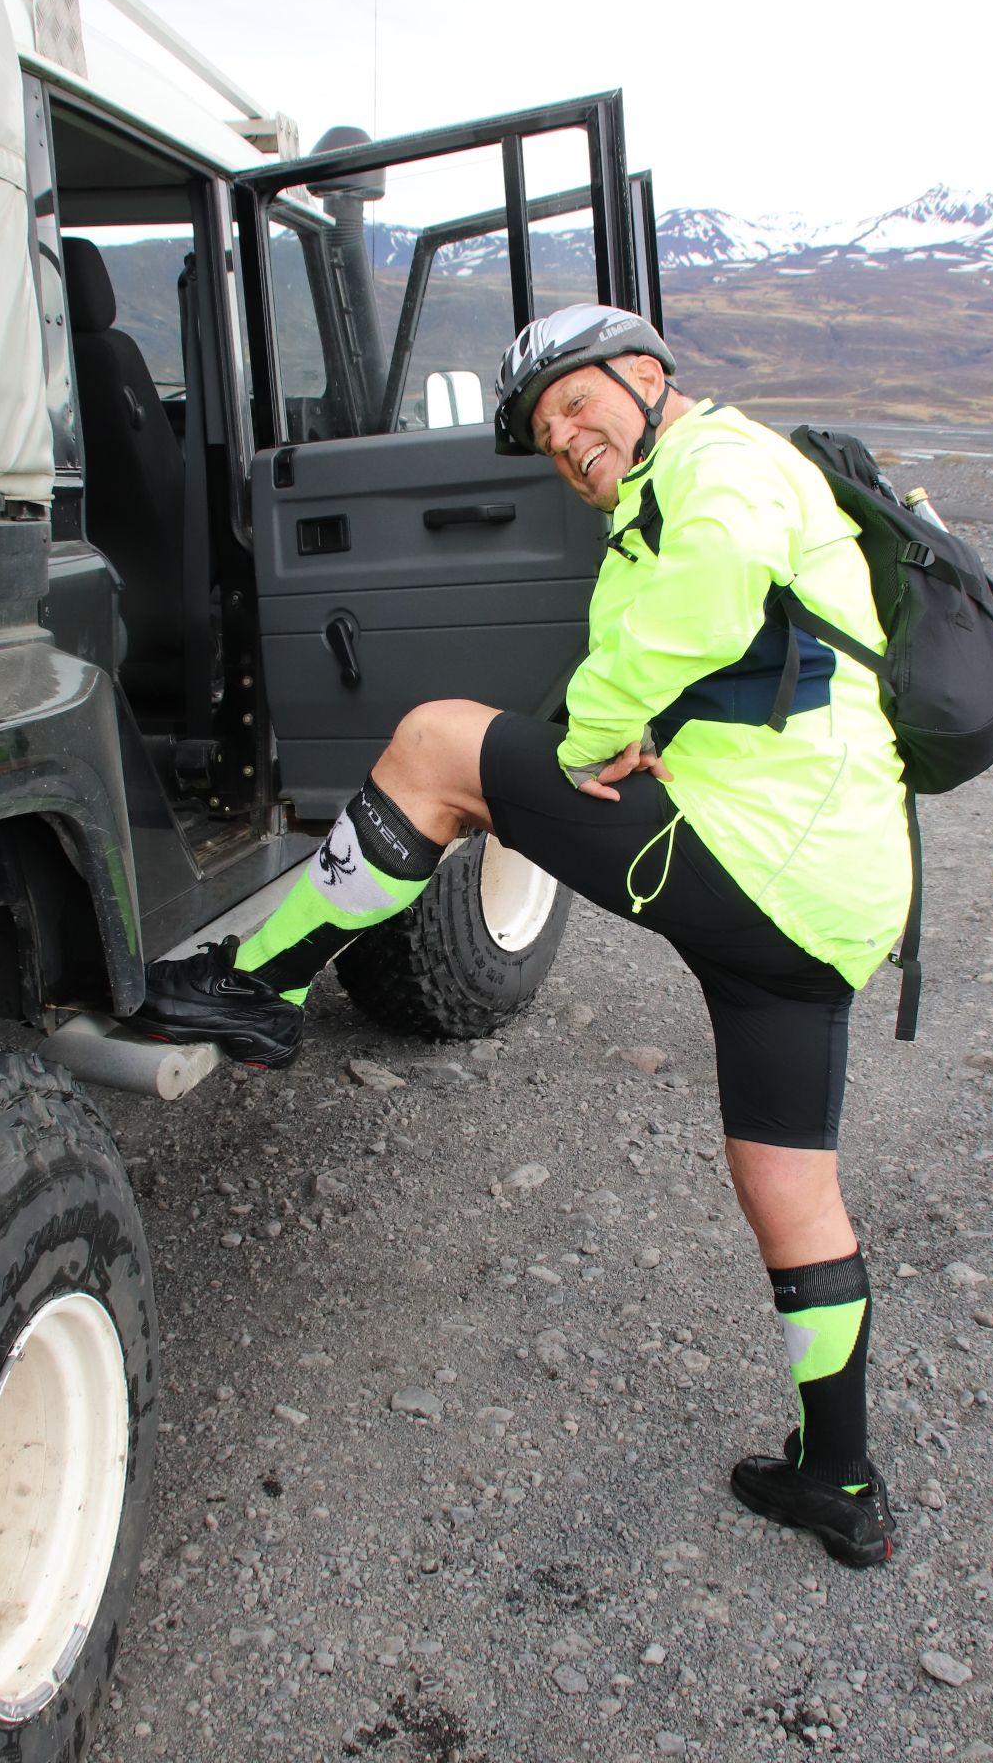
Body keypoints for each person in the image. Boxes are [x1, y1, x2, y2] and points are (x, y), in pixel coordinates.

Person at [138, 305, 912, 1567]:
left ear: (646, 374)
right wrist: (649, 727)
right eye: (546, 429)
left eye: (576, 403)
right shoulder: (682, 481)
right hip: (832, 899)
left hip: (765, 858)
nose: (564, 438)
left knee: (436, 743)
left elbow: (702, 598)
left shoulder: (719, 460)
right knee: (788, 1183)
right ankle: (842, 1477)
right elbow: (747, 651)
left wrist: (588, 734)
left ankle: (258, 985)